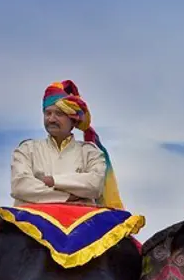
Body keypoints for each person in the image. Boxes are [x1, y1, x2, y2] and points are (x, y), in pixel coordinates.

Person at [10, 80, 123, 208]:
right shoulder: (26, 149)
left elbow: (94, 185)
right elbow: (20, 186)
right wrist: (68, 197)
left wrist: (53, 181)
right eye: (48, 113)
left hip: (81, 223)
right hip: (30, 224)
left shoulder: (90, 152)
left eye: (59, 114)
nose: (51, 119)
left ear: (73, 121)